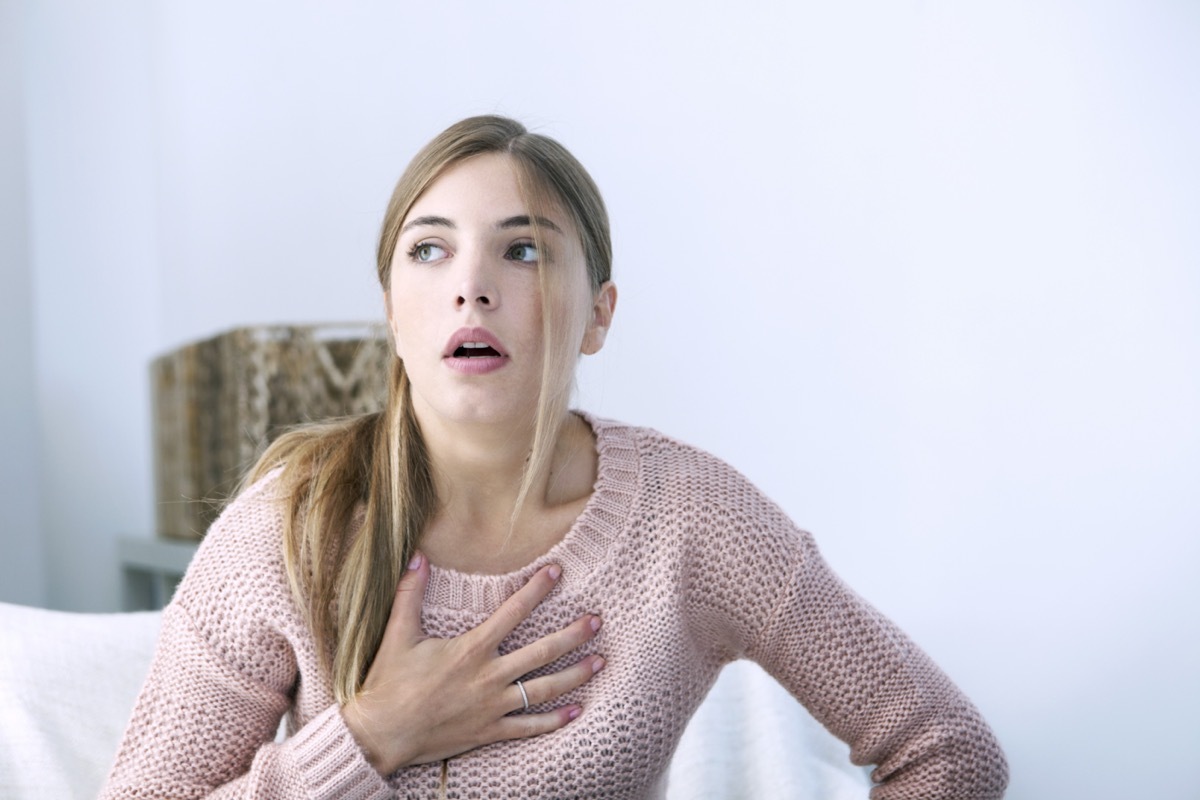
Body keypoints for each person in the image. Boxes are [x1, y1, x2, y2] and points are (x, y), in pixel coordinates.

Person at [102, 115, 1009, 799]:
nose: (471, 284)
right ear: (391, 309)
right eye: (429, 250)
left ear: (599, 314)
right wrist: (373, 736)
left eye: (524, 249)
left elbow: (947, 749)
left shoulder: (692, 518)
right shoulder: (286, 527)